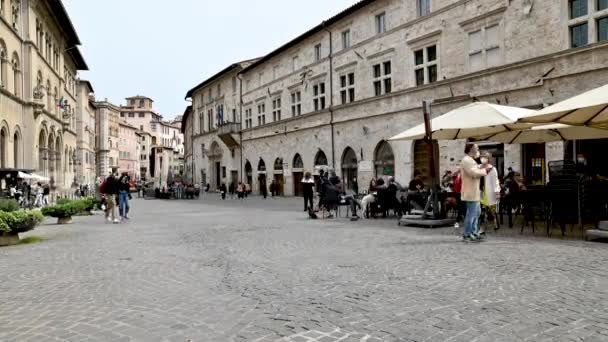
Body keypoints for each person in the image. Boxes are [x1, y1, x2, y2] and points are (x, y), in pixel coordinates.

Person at [460, 144, 492, 242]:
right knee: (472, 214)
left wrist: (481, 166)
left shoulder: (470, 160)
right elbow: (473, 173)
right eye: (476, 147)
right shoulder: (466, 160)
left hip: (474, 191)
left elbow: (474, 168)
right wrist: (485, 170)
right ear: (471, 149)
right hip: (470, 191)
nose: (478, 149)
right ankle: (467, 234)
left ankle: (473, 232)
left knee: (476, 213)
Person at [479, 151, 501, 236]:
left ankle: (494, 222)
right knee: (482, 212)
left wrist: (497, 191)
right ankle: (482, 228)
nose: (483, 158)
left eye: (485, 157)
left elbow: (495, 181)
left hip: (490, 192)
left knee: (491, 211)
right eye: (482, 157)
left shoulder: (492, 169)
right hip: (481, 192)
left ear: (488, 159)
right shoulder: (479, 167)